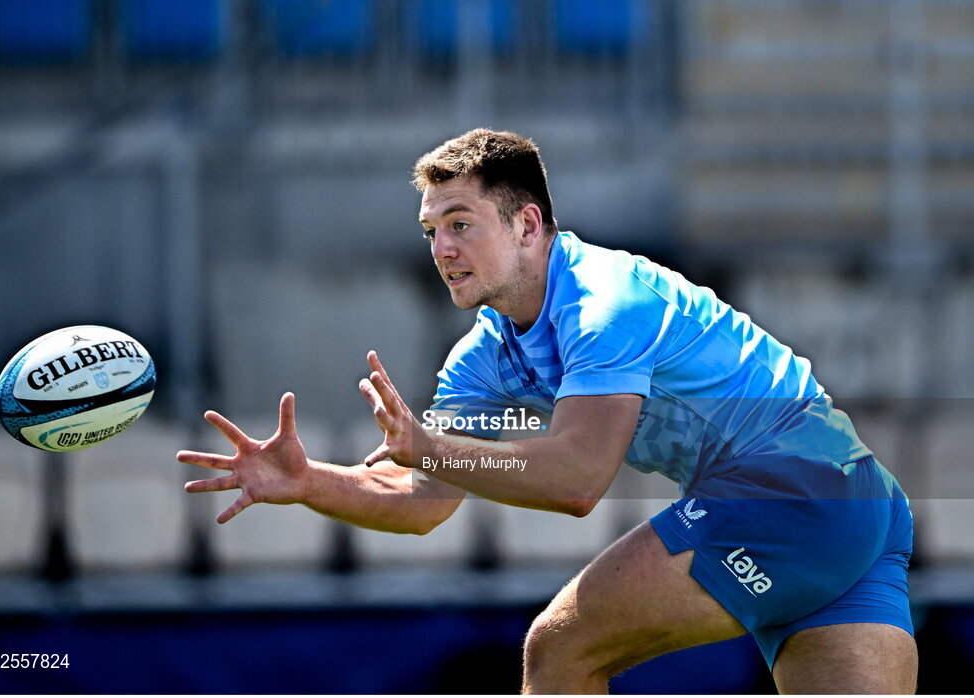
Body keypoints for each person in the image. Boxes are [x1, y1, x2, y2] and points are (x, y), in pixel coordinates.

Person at [177, 129, 918, 694]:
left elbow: (577, 479)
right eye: (431, 229)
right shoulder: (482, 358)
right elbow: (424, 500)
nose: (442, 248)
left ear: (528, 225)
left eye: (461, 223)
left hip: (792, 492)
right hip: (856, 505)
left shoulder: (605, 300)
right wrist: (312, 483)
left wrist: (429, 447)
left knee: (560, 648)